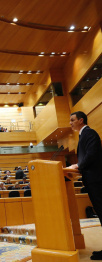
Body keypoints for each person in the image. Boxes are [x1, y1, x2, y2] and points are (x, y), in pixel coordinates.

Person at [68, 111, 102, 260]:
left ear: (81, 120)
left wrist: (79, 165)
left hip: (96, 180)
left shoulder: (90, 133)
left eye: (72, 120)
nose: (70, 123)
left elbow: (92, 154)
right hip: (92, 180)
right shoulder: (83, 135)